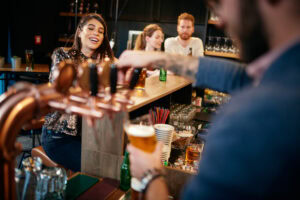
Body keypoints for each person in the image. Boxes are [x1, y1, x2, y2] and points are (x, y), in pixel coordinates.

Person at [117, 0, 300, 199]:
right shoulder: (287, 76)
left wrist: (149, 175)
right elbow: (241, 78)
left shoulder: (252, 119)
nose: (220, 21)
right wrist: (158, 59)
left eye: (221, 4)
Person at [42, 13, 115, 172]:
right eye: (91, 28)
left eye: (101, 31)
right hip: (58, 137)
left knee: (118, 160)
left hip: (87, 137)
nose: (96, 33)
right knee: (100, 168)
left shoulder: (101, 63)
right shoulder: (62, 54)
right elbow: (63, 89)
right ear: (80, 31)